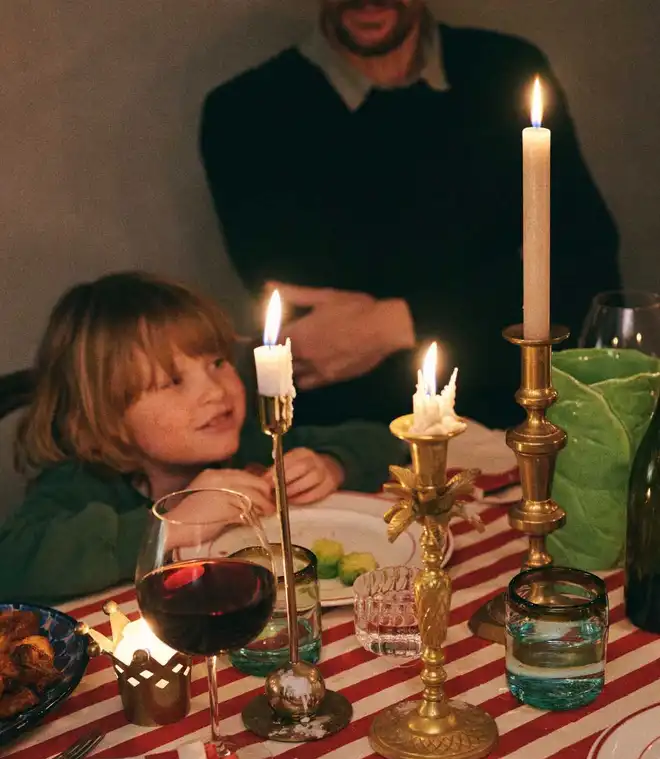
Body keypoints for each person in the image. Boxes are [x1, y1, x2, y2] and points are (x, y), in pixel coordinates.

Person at [200, 0, 620, 428]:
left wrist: (393, 323)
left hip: (514, 423)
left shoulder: (504, 72)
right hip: (345, 447)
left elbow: (583, 274)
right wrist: (485, 300)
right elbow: (314, 336)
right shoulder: (244, 113)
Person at [0, 272, 405, 603]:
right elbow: (12, 563)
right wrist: (167, 526)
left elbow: (387, 441)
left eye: (217, 362)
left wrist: (333, 463)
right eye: (173, 382)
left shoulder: (253, 447)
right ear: (103, 419)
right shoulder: (80, 485)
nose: (216, 390)